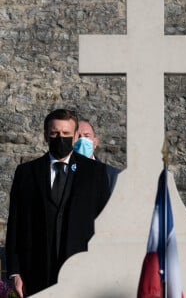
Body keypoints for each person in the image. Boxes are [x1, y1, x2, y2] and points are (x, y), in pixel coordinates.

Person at [6, 109, 110, 297]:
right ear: (46, 135)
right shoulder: (26, 173)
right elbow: (15, 224)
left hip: (82, 272)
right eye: (54, 133)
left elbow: (104, 222)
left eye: (65, 134)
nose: (60, 138)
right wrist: (15, 271)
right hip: (35, 272)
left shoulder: (95, 173)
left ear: (75, 136)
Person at [73, 120, 120, 193]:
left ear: (95, 142)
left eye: (87, 136)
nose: (82, 140)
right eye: (77, 136)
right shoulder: (60, 172)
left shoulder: (113, 176)